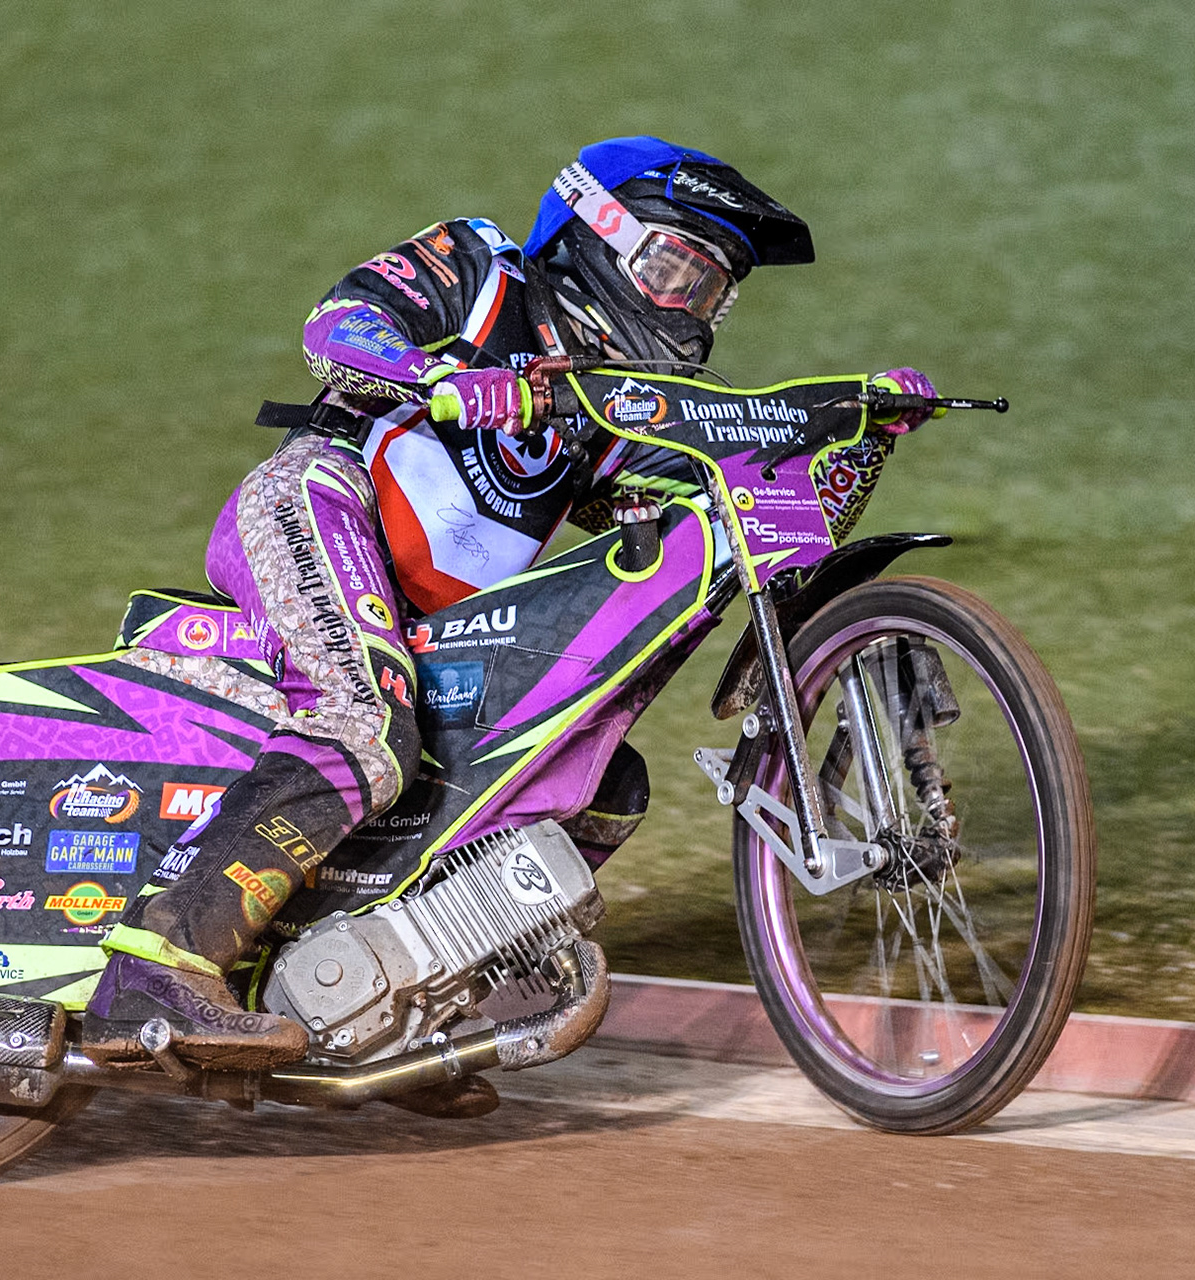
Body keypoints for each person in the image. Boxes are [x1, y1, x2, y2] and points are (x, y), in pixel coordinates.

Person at [80, 136, 938, 1082]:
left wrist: (844, 438)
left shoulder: (618, 407)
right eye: (676, 270)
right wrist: (444, 381)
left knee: (599, 777)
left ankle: (391, 1015)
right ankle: (152, 976)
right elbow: (336, 327)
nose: (691, 311)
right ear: (593, 235)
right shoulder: (484, 267)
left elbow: (699, 514)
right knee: (361, 720)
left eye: (712, 291)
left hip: (431, 618)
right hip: (315, 503)